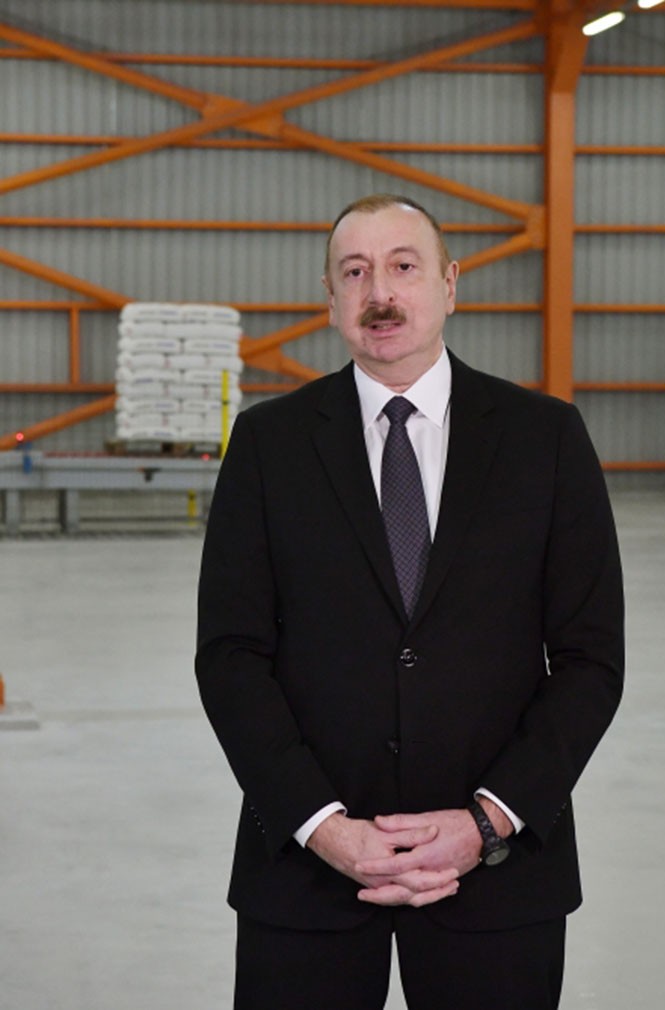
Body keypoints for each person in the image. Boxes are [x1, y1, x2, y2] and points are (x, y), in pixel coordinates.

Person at [195, 194, 624, 1010]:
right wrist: (322, 826)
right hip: (309, 871)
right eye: (355, 272)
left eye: (403, 266)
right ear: (330, 296)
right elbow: (230, 656)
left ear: (449, 285)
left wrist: (486, 824)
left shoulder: (546, 439)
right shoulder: (268, 444)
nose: (380, 293)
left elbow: (590, 659)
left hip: (497, 873)